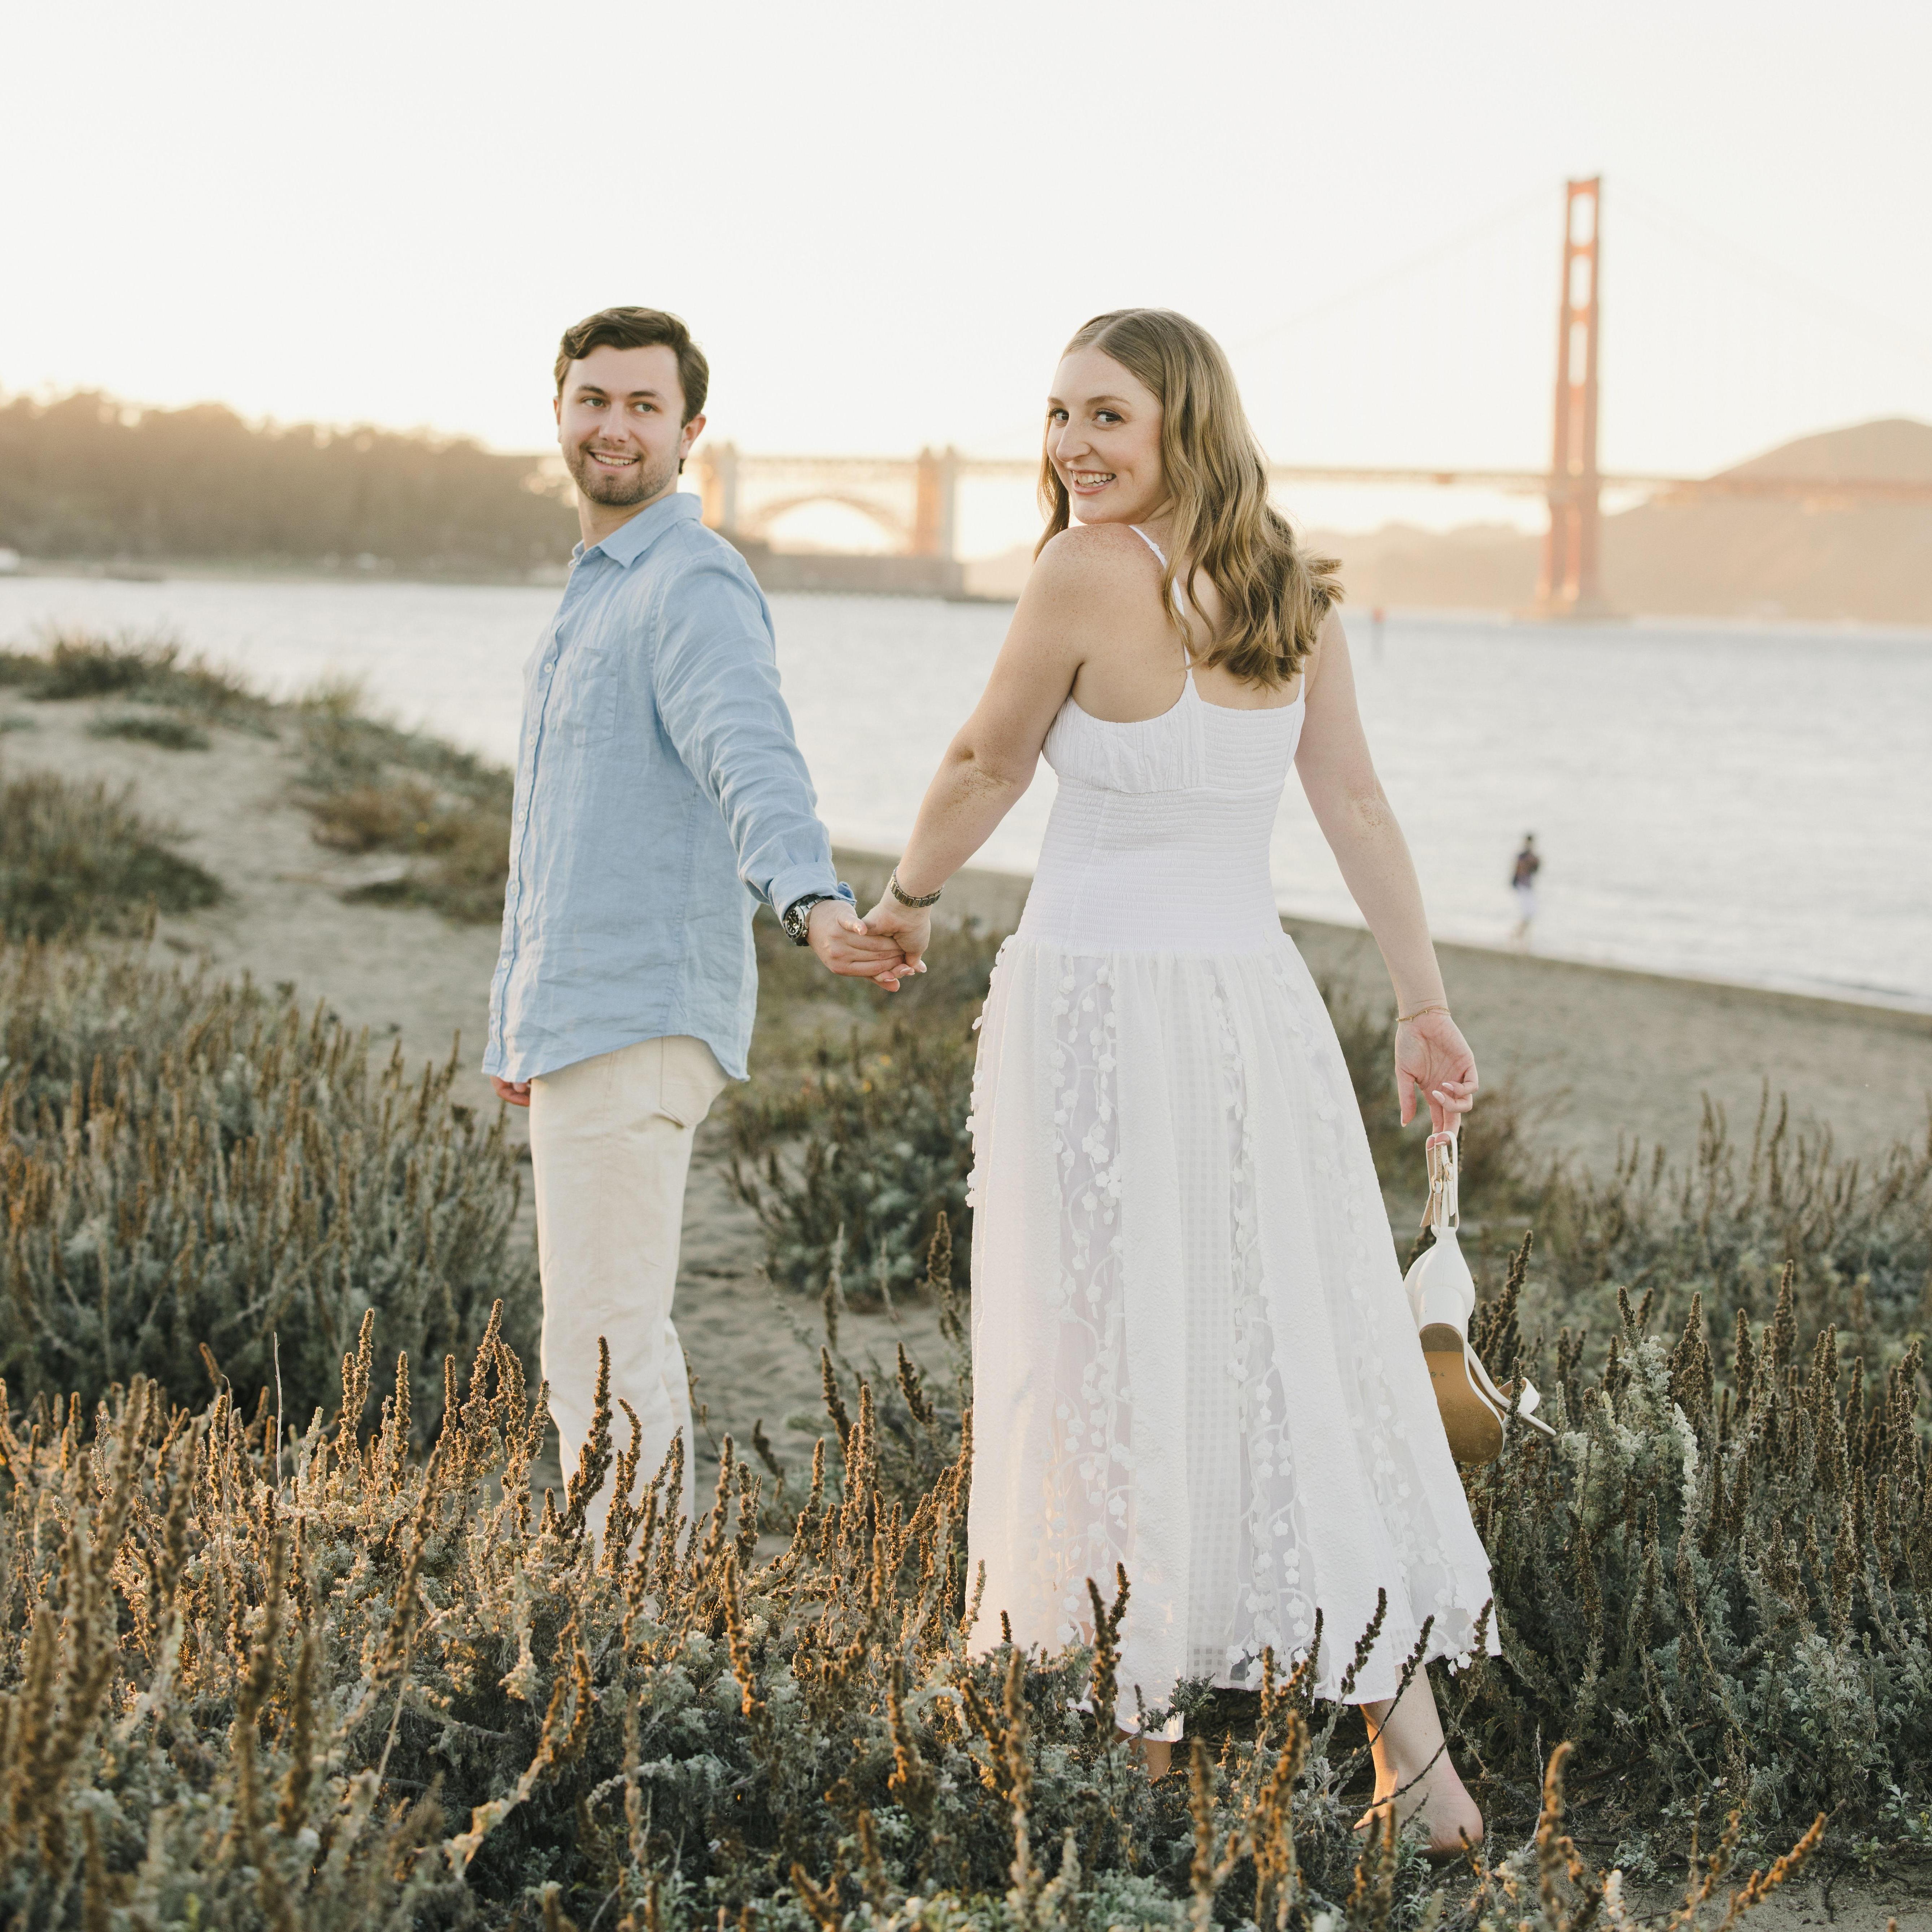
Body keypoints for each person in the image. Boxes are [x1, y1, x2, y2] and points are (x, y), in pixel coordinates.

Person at [858, 310, 1496, 1851]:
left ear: (1179, 427)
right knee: (1291, 1345)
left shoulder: (1082, 572)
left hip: (1094, 1009)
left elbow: (986, 760)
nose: (1073, 445)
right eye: (1060, 414)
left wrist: (905, 897)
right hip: (1251, 1014)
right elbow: (1345, 795)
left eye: (1107, 418)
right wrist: (1420, 999)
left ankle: (1138, 1742)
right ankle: (1415, 1767)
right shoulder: (1287, 579)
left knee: (1103, 1342)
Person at [484, 307, 907, 1537]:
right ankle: (635, 1609)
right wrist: (523, 1027)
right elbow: (562, 837)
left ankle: (635, 1630)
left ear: (691, 431)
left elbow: (752, 758)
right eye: (594, 400)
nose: (615, 426)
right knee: (597, 1334)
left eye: (644, 406)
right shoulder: (593, 593)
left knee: (602, 1342)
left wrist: (813, 897)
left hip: (644, 1008)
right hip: (584, 1015)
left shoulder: (692, 580)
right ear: (560, 411)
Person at [1510, 834, 1540, 946]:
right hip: (1523, 887)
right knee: (1528, 913)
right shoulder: (1523, 857)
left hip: (1528, 887)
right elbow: (1517, 871)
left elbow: (1536, 870)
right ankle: (1517, 935)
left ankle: (1520, 936)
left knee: (1530, 914)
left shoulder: (1532, 857)